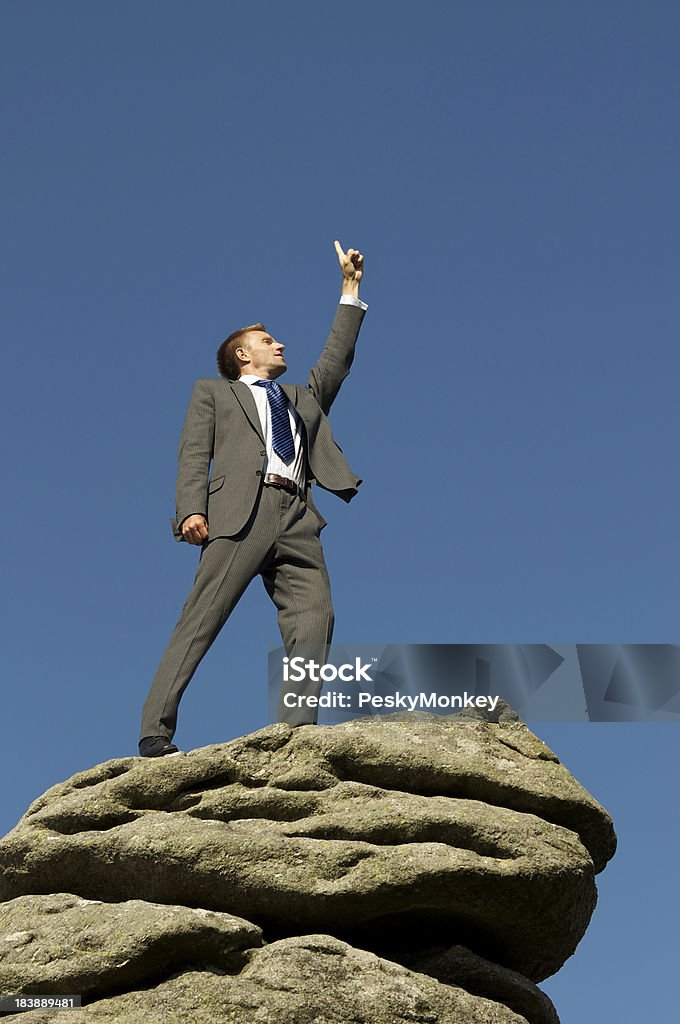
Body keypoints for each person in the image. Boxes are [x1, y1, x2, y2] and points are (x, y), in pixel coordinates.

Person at [138, 240, 367, 756]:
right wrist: (190, 509)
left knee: (316, 617)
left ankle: (296, 734)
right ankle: (156, 728)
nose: (280, 344)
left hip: (298, 516)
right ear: (243, 354)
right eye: (268, 339)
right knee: (202, 618)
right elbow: (193, 454)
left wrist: (349, 290)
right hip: (241, 513)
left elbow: (336, 361)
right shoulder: (213, 393)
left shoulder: (302, 399)